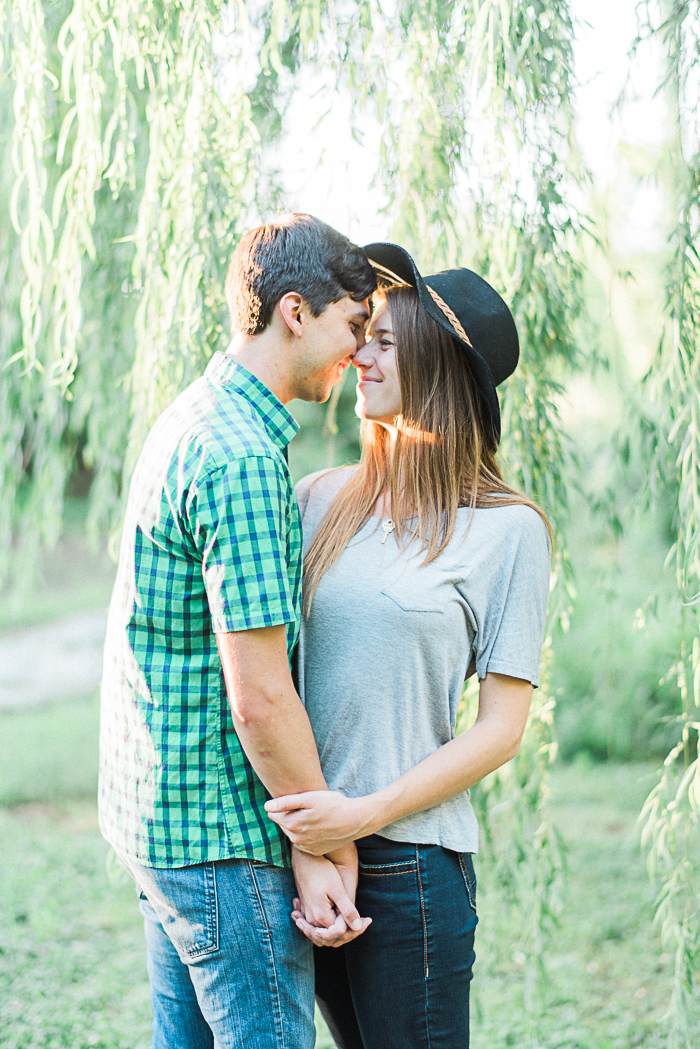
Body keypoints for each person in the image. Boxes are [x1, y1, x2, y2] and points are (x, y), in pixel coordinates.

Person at [98, 213, 377, 1049]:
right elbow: (258, 695)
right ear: (297, 312)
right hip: (220, 842)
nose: (359, 353)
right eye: (352, 326)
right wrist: (322, 844)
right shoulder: (244, 460)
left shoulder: (196, 415)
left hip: (159, 824)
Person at [265, 243, 553, 1049]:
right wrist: (315, 844)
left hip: (411, 871)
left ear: (444, 370)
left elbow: (501, 729)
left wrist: (362, 814)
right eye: (367, 334)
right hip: (307, 863)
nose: (360, 351)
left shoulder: (507, 531)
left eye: (388, 341)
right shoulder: (317, 499)